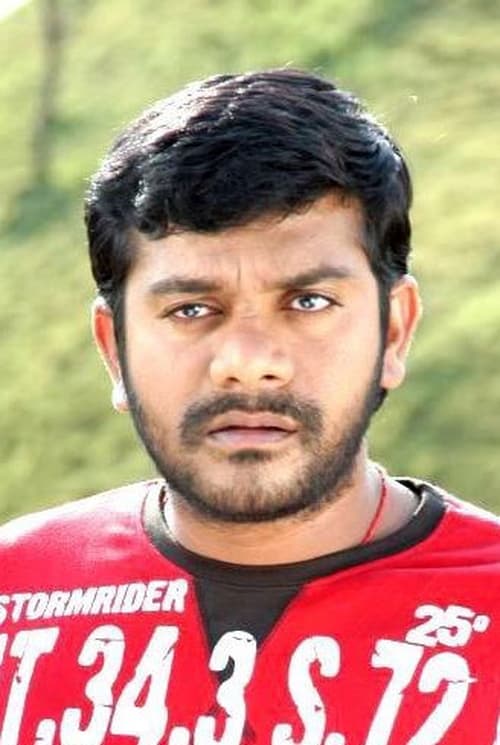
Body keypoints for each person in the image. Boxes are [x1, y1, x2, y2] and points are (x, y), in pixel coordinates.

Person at [0, 69, 498, 745]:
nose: (247, 359)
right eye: (192, 308)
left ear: (393, 330)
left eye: (309, 301)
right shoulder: (14, 596)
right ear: (115, 348)